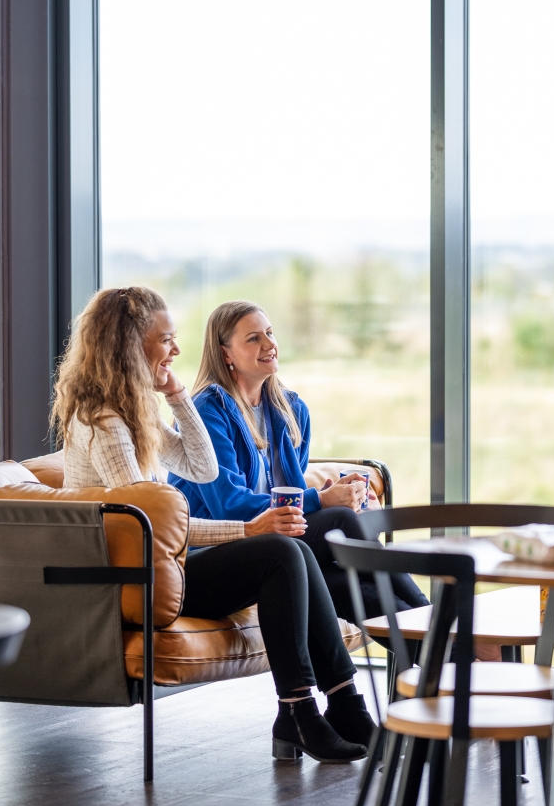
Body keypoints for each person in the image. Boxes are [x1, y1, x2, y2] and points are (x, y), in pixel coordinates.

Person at [53, 287, 374, 764]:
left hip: (164, 567)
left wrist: (176, 395)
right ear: (129, 346)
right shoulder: (105, 423)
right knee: (284, 551)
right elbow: (148, 526)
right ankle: (309, 710)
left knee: (297, 550)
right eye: (166, 339)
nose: (176, 350)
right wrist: (248, 531)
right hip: (129, 579)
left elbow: (201, 468)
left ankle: (333, 705)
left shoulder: (132, 412)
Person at [169, 300, 429, 621]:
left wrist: (351, 500)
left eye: (270, 333)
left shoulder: (291, 409)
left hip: (279, 542)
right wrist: (322, 500)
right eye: (253, 339)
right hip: (220, 548)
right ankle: (446, 627)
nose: (269, 344)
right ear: (226, 354)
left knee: (355, 590)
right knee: (340, 521)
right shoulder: (208, 412)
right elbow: (230, 506)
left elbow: (291, 491)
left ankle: (447, 655)